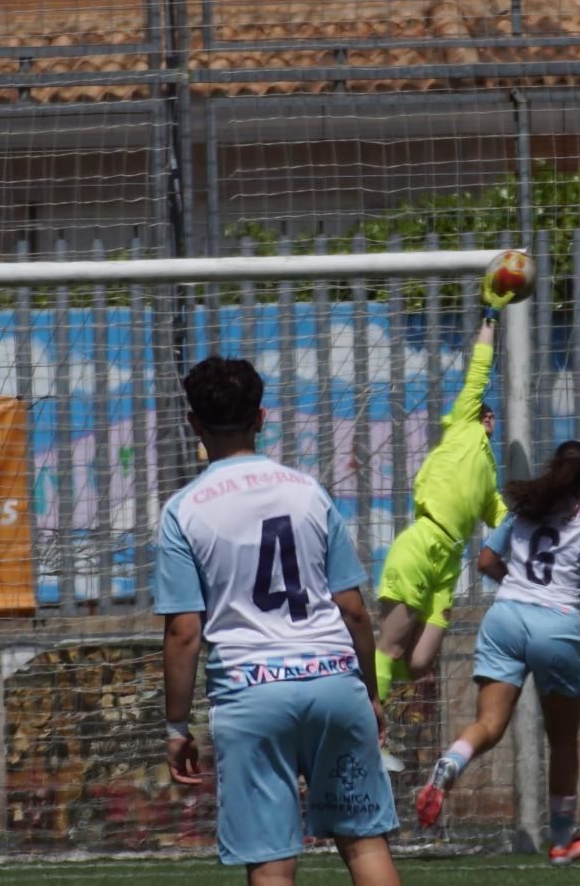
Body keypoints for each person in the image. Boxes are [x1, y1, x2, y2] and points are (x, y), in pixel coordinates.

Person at [155, 356, 400, 886]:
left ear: (194, 424)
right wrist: (369, 693)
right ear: (261, 418)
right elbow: (353, 608)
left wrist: (176, 727)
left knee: (271, 865)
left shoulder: (183, 510)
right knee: (363, 841)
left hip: (251, 691)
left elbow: (183, 632)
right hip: (332, 681)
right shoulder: (308, 491)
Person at [415, 441, 580, 866]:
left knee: (488, 724)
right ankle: (562, 841)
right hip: (555, 627)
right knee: (562, 741)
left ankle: (451, 763)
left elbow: (486, 560)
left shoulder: (524, 508)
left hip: (504, 618)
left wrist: (518, 585)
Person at [373, 279, 513, 763]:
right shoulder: (463, 425)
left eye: (491, 415)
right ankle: (368, 736)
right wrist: (492, 316)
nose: (490, 417)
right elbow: (480, 368)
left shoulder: (489, 478)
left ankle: (364, 684)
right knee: (392, 649)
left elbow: (508, 520)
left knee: (418, 661)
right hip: (422, 542)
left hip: (449, 563)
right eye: (486, 411)